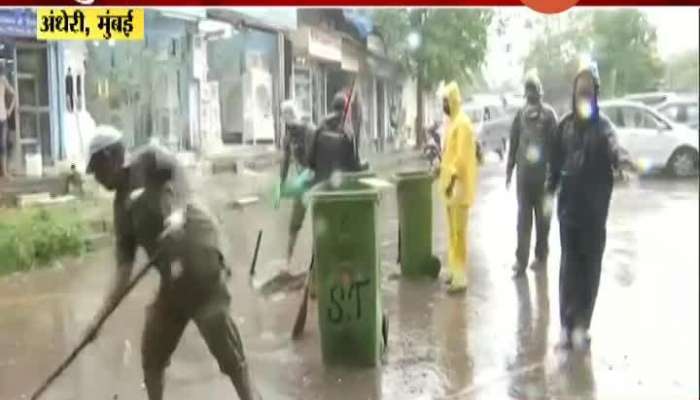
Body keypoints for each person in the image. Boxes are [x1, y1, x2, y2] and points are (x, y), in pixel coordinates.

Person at [84, 126, 259, 400]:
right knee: (152, 351)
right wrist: (99, 319)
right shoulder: (121, 211)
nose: (96, 177)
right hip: (173, 279)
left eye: (97, 169)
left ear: (111, 158)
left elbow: (177, 176)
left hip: (200, 256)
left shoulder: (148, 159)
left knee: (224, 346)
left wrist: (176, 213)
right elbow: (123, 271)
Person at [547, 63, 627, 350]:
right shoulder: (564, 127)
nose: (584, 96)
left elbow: (614, 147)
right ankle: (566, 326)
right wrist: (548, 191)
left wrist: (621, 159)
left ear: (596, 94)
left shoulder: (604, 128)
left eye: (589, 92)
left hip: (594, 217)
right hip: (568, 215)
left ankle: (583, 325)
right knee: (568, 271)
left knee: (589, 272)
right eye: (579, 91)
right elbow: (554, 165)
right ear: (574, 93)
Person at [506, 74, 559, 277]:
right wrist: (509, 170)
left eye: (533, 90)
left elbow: (556, 148)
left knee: (543, 221)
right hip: (524, 177)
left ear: (540, 92)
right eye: (528, 91)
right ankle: (521, 261)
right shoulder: (520, 116)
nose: (531, 95)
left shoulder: (549, 116)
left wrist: (555, 176)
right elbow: (513, 143)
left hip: (544, 178)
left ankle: (541, 255)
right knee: (523, 221)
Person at [439, 82, 478, 294]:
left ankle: (460, 278)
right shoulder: (453, 122)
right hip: (451, 188)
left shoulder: (462, 124)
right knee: (452, 233)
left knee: (459, 234)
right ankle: (454, 272)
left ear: (453, 100)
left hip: (459, 188)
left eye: (445, 101)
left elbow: (461, 159)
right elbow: (449, 154)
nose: (443, 105)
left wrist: (452, 180)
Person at [279, 100, 315, 270]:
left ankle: (319, 261)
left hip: (316, 179)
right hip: (303, 182)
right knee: (294, 223)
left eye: (291, 119)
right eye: (286, 121)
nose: (291, 128)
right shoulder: (288, 138)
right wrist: (281, 183)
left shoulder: (309, 131)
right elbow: (285, 162)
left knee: (321, 220)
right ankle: (288, 260)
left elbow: (314, 157)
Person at [0, 63, 17, 178]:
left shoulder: (2, 80)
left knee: (2, 145)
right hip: (3, 116)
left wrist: (9, 110)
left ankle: (5, 172)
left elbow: (14, 94)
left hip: (2, 117)